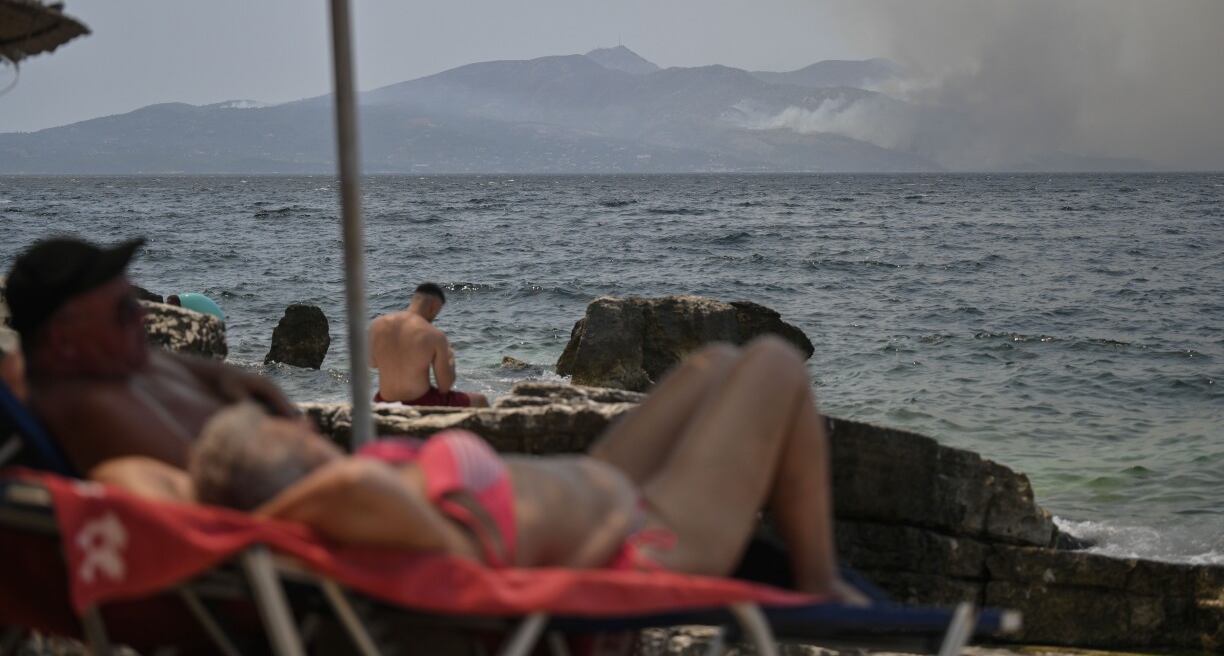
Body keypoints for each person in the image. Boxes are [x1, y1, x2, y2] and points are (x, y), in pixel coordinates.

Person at [190, 337, 866, 604]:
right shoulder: (359, 500)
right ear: (290, 467)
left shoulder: (372, 494)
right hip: (648, 537)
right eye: (288, 432)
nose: (302, 425)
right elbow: (347, 486)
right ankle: (818, 585)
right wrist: (248, 524)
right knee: (775, 362)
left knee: (715, 363)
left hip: (604, 483)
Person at [3, 236, 297, 478]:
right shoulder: (93, 408)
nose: (143, 316)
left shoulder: (118, 361)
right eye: (126, 310)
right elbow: (220, 488)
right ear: (65, 342)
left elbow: (231, 377)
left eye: (136, 303)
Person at [369, 283, 489, 408]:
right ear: (433, 306)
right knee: (480, 400)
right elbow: (444, 386)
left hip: (383, 400)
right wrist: (450, 358)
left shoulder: (377, 324)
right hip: (421, 401)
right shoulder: (434, 335)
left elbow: (372, 363)